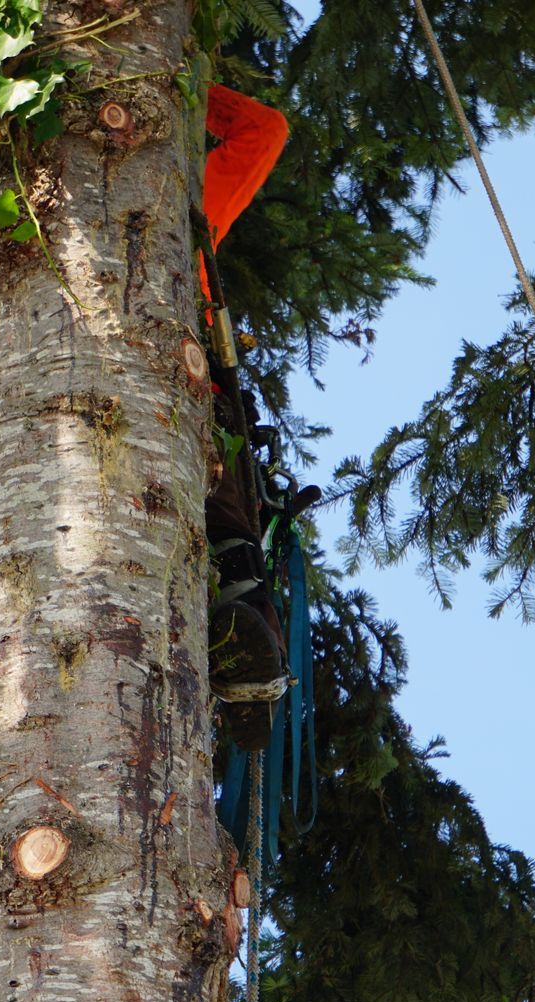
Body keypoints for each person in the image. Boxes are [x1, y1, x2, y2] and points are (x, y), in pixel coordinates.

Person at [199, 84, 292, 748]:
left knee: (236, 522)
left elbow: (261, 131)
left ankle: (239, 593)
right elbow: (262, 132)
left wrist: (175, 80)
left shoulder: (183, 225)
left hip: (193, 379)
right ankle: (237, 585)